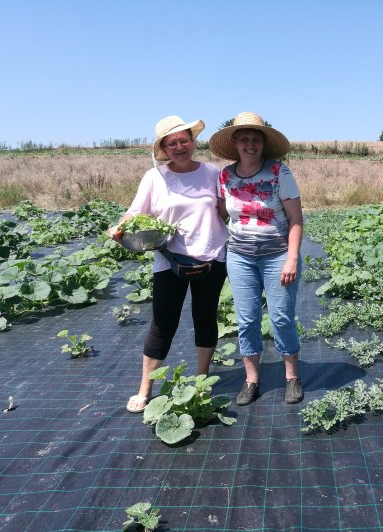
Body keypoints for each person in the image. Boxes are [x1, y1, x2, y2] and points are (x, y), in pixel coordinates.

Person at [108, 115, 228, 413]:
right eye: (171, 143)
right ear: (164, 148)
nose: (179, 147)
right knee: (163, 323)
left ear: (193, 142)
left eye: (184, 140)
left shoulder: (212, 173)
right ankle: (144, 389)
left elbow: (224, 211)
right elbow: (135, 212)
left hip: (211, 256)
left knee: (205, 317)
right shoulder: (155, 177)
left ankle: (201, 378)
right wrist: (120, 228)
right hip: (169, 259)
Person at [209, 112, 303, 405]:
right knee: (246, 319)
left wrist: (292, 259)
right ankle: (251, 380)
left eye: (255, 139)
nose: (250, 144)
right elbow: (221, 213)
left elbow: (296, 220)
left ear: (263, 143)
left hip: (277, 256)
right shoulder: (225, 176)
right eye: (244, 139)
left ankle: (291, 377)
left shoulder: (279, 173)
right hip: (239, 257)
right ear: (235, 143)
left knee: (281, 317)